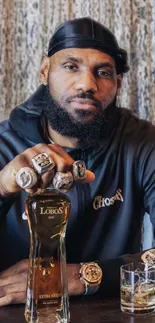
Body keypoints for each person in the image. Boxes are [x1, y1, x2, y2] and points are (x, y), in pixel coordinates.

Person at [0, 16, 155, 307]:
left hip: (115, 312)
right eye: (71, 66)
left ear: (118, 83)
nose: (87, 84)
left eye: (104, 72)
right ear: (45, 70)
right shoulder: (4, 144)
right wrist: (2, 189)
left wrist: (80, 277)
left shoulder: (144, 143)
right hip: (20, 312)